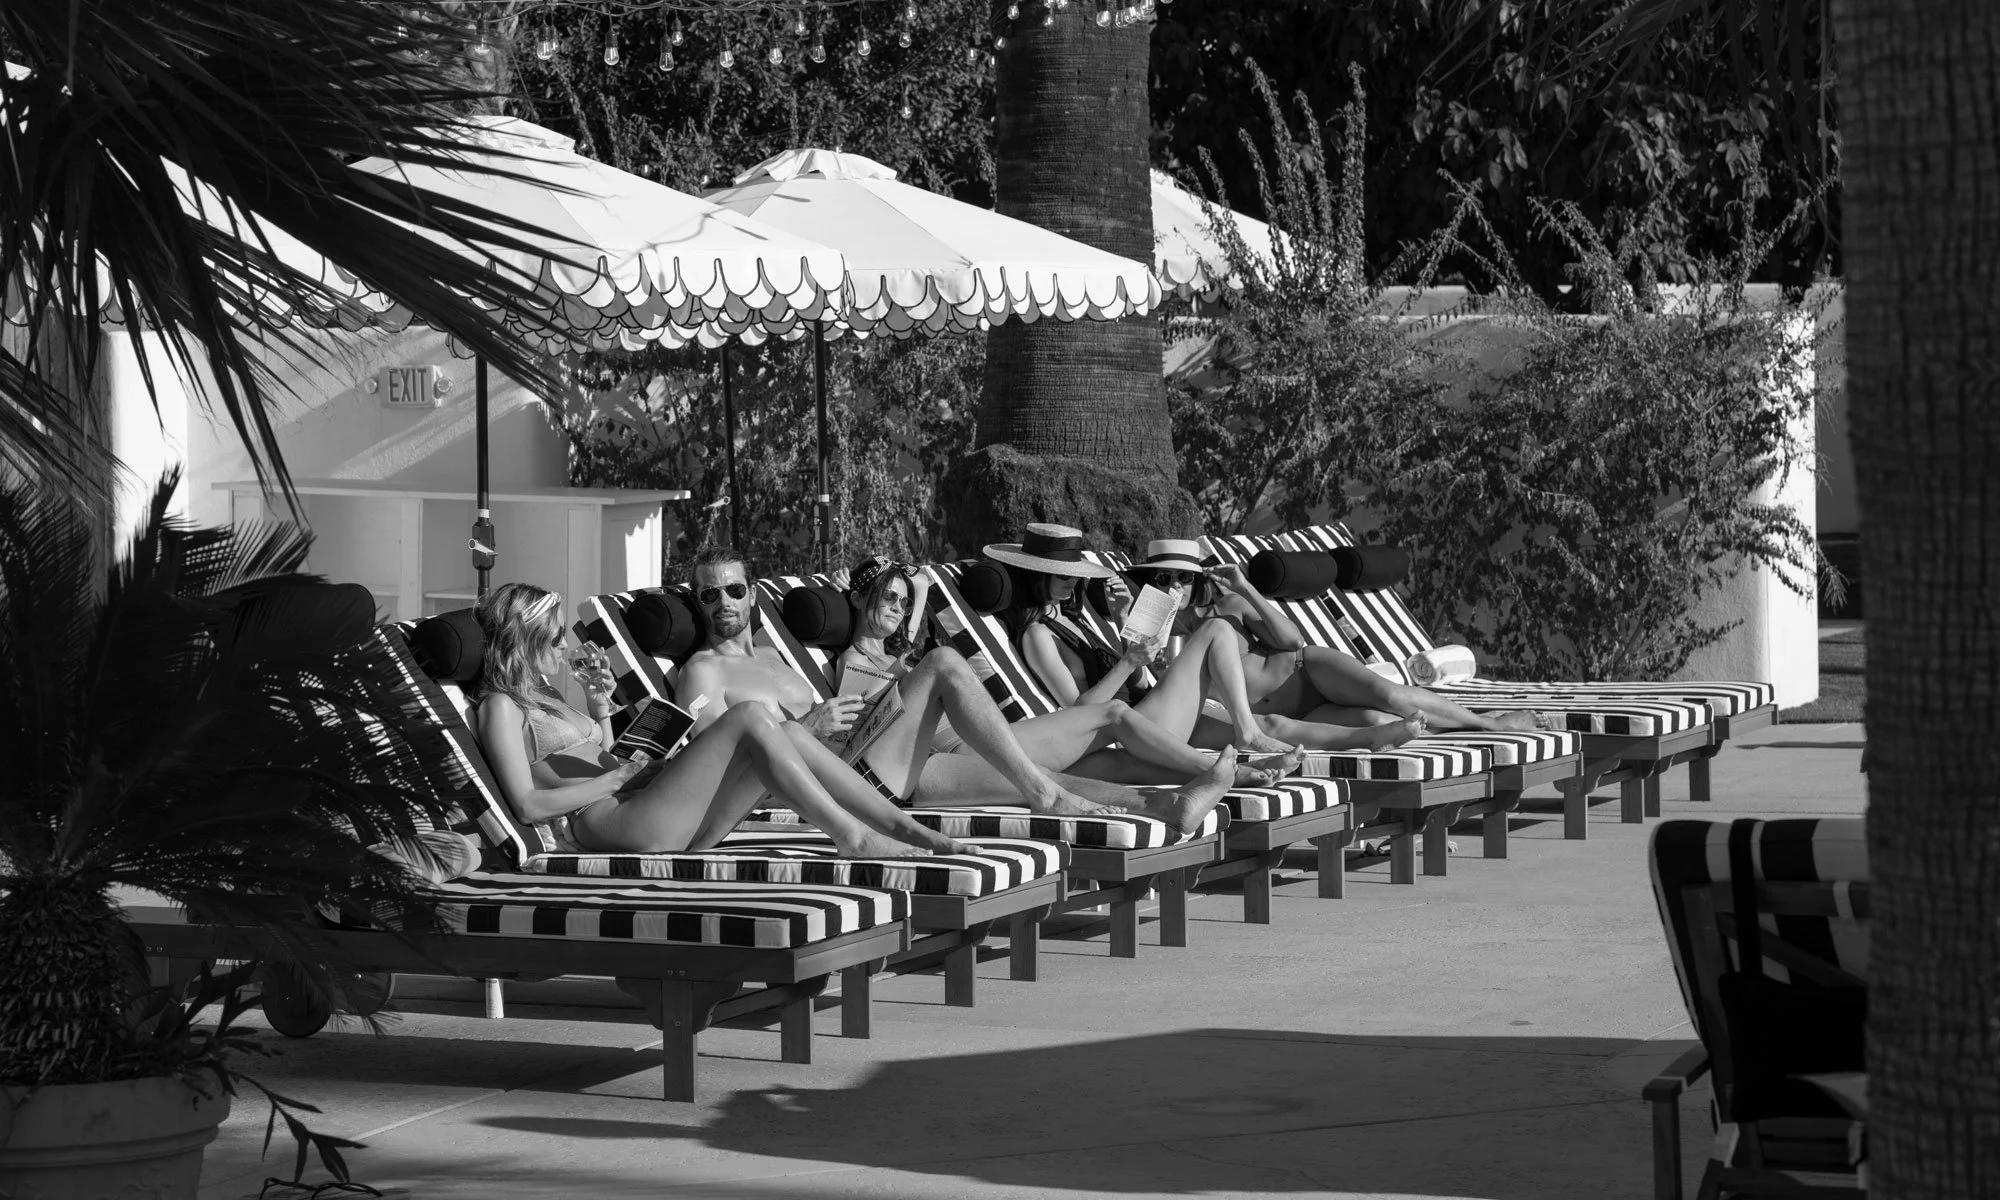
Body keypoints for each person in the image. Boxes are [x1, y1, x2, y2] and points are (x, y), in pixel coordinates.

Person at [674, 546, 1234, 838]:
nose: (723, 602)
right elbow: (716, 765)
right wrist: (806, 729)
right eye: (708, 595)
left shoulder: (775, 659)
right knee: (943, 662)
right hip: (834, 779)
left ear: (751, 595)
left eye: (734, 589)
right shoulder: (702, 673)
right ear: (696, 603)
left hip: (871, 761)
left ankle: (1172, 805)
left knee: (1040, 780)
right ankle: (1055, 798)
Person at [473, 582, 962, 860]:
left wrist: (600, 710)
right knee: (750, 716)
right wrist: (620, 777)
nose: (562, 647)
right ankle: (852, 837)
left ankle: (899, 825)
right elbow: (529, 805)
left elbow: (597, 755)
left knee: (789, 730)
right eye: (554, 637)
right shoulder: (500, 705)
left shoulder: (543, 694)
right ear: (526, 637)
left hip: (646, 802)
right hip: (615, 822)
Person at [832, 554, 1297, 790]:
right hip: (980, 752)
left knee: (1122, 760)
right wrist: (1130, 661)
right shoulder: (855, 666)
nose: (896, 608)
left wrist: (1126, 636)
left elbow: (909, 637)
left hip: (1007, 739)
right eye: (884, 599)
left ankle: (1230, 762)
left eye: (900, 601)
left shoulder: (904, 658)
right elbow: (874, 727)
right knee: (1114, 713)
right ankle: (1223, 767)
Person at [987, 524, 1405, 758]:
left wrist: (1124, 631)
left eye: (1077, 574)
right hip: (1125, 730)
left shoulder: (1071, 622)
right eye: (1066, 576)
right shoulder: (1039, 636)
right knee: (1216, 630)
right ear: (1036, 576)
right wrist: (1129, 662)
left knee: (1272, 725)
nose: (1075, 582)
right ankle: (1245, 733)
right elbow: (1078, 712)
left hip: (1144, 712)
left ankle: (1366, 739)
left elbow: (1132, 679)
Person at [1125, 539, 1550, 742]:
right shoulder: (1155, 631)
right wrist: (1127, 617)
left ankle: (1489, 724)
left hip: (1307, 672)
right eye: (1164, 579)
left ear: (1198, 578)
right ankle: (1453, 739)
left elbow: (1292, 641)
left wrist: (1246, 587)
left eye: (1183, 576)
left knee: (1394, 697)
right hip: (1291, 715)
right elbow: (1147, 684)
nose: (1175, 585)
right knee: (1379, 724)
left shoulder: (1229, 607)